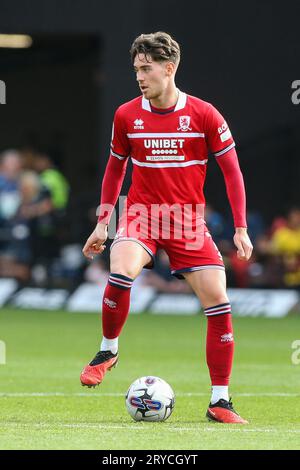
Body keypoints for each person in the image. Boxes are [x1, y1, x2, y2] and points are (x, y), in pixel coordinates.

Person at [80, 32, 253, 424]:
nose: (139, 76)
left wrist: (240, 227)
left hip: (188, 220)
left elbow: (232, 172)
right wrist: (103, 222)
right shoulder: (126, 115)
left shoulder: (205, 114)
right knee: (121, 270)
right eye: (136, 69)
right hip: (141, 213)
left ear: (168, 68)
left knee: (219, 304)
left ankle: (220, 401)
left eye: (146, 68)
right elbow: (115, 168)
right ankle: (109, 349)